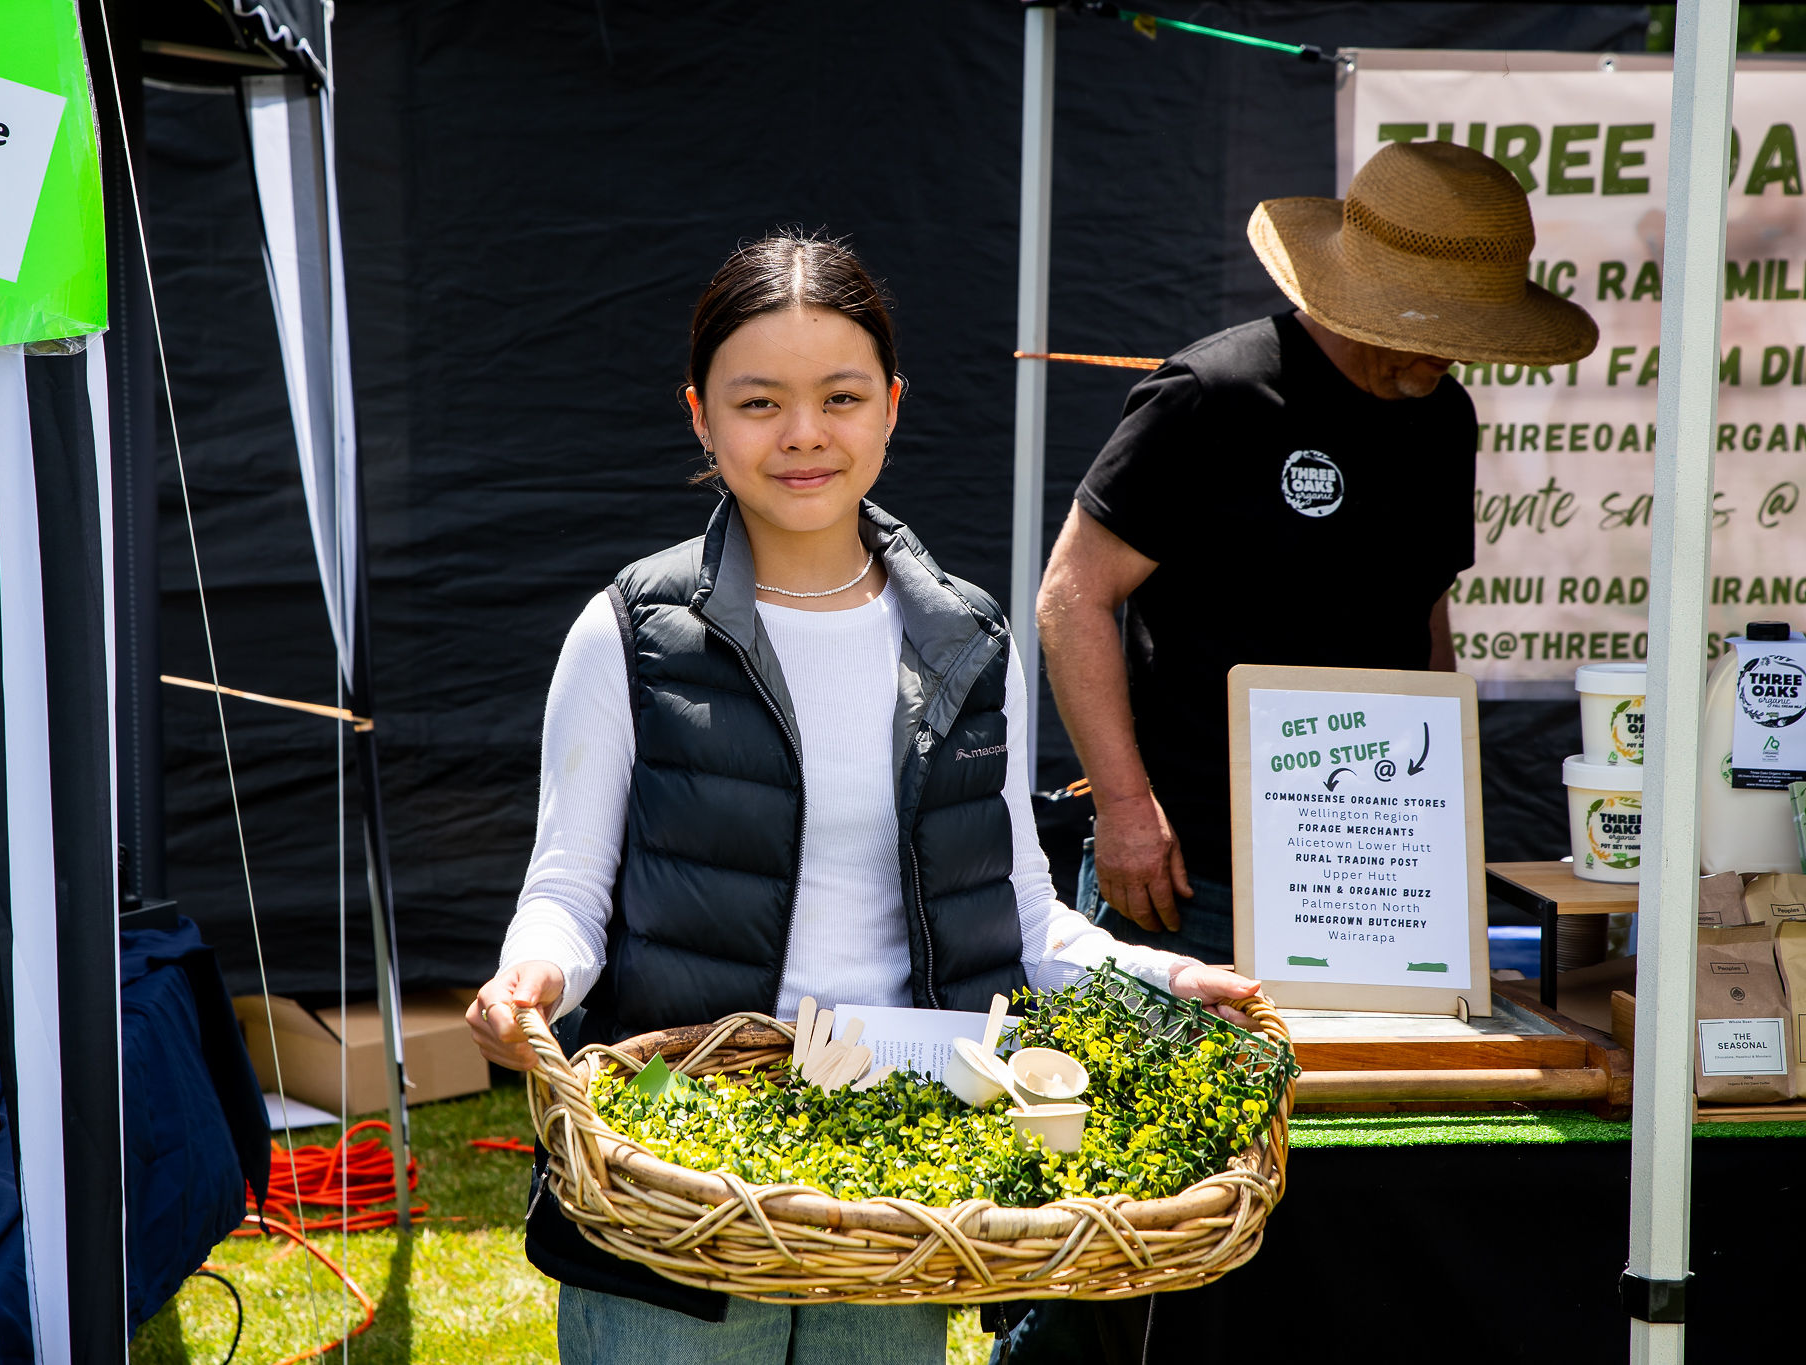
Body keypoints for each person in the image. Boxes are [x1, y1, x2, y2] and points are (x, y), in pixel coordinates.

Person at [465, 230, 1261, 1365]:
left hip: (895, 1191)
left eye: (839, 396)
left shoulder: (970, 640)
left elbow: (1022, 919)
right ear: (700, 415)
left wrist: (1169, 977)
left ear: (889, 407)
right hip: (676, 1181)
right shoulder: (630, 634)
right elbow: (566, 894)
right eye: (757, 403)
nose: (802, 434)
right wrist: (531, 974)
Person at [1036, 140, 1599, 970]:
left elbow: (1426, 611)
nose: (1457, 350)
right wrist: (1125, 807)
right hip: (1194, 879)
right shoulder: (1213, 394)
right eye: (1440, 325)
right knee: (1168, 1099)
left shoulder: (1446, 417)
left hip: (1375, 875)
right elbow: (1071, 595)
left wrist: (1440, 819)